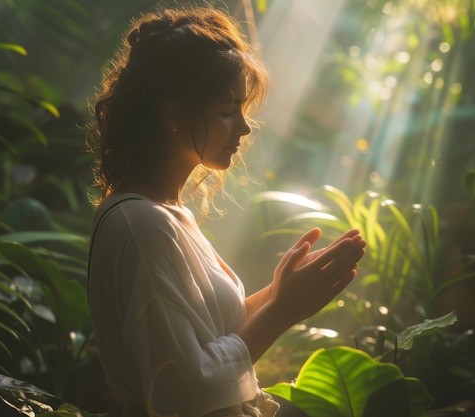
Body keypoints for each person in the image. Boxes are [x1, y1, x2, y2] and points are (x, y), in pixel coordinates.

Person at [86, 6, 366, 417]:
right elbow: (183, 390)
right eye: (225, 109)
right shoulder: (141, 225)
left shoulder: (166, 213)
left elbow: (207, 334)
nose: (244, 126)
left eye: (241, 106)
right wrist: (284, 309)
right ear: (173, 115)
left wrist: (279, 291)